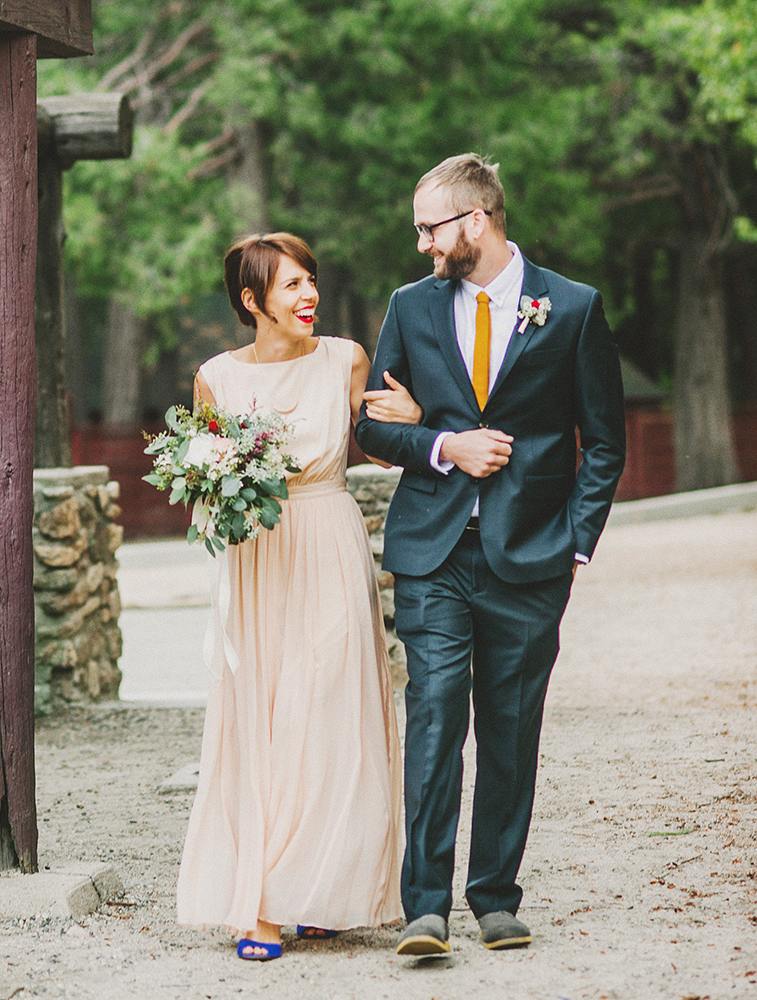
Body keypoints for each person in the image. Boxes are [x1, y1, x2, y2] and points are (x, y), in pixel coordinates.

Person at [355, 153, 626, 956]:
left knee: (510, 726)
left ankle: (496, 898)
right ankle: (426, 908)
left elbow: (602, 442)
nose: (422, 246)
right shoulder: (410, 307)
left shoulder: (571, 308)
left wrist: (576, 542)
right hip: (433, 551)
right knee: (435, 718)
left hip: (532, 556)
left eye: (429, 229)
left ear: (476, 220)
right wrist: (445, 444)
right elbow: (370, 427)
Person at [176, 233, 421, 961]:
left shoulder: (344, 357)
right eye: (290, 286)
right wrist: (214, 485)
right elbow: (200, 475)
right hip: (260, 557)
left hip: (328, 537)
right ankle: (257, 901)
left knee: (331, 709)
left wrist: (407, 418)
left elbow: (376, 444)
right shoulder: (215, 377)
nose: (308, 295)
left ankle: (318, 887)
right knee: (264, 716)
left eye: (311, 280)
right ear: (252, 302)